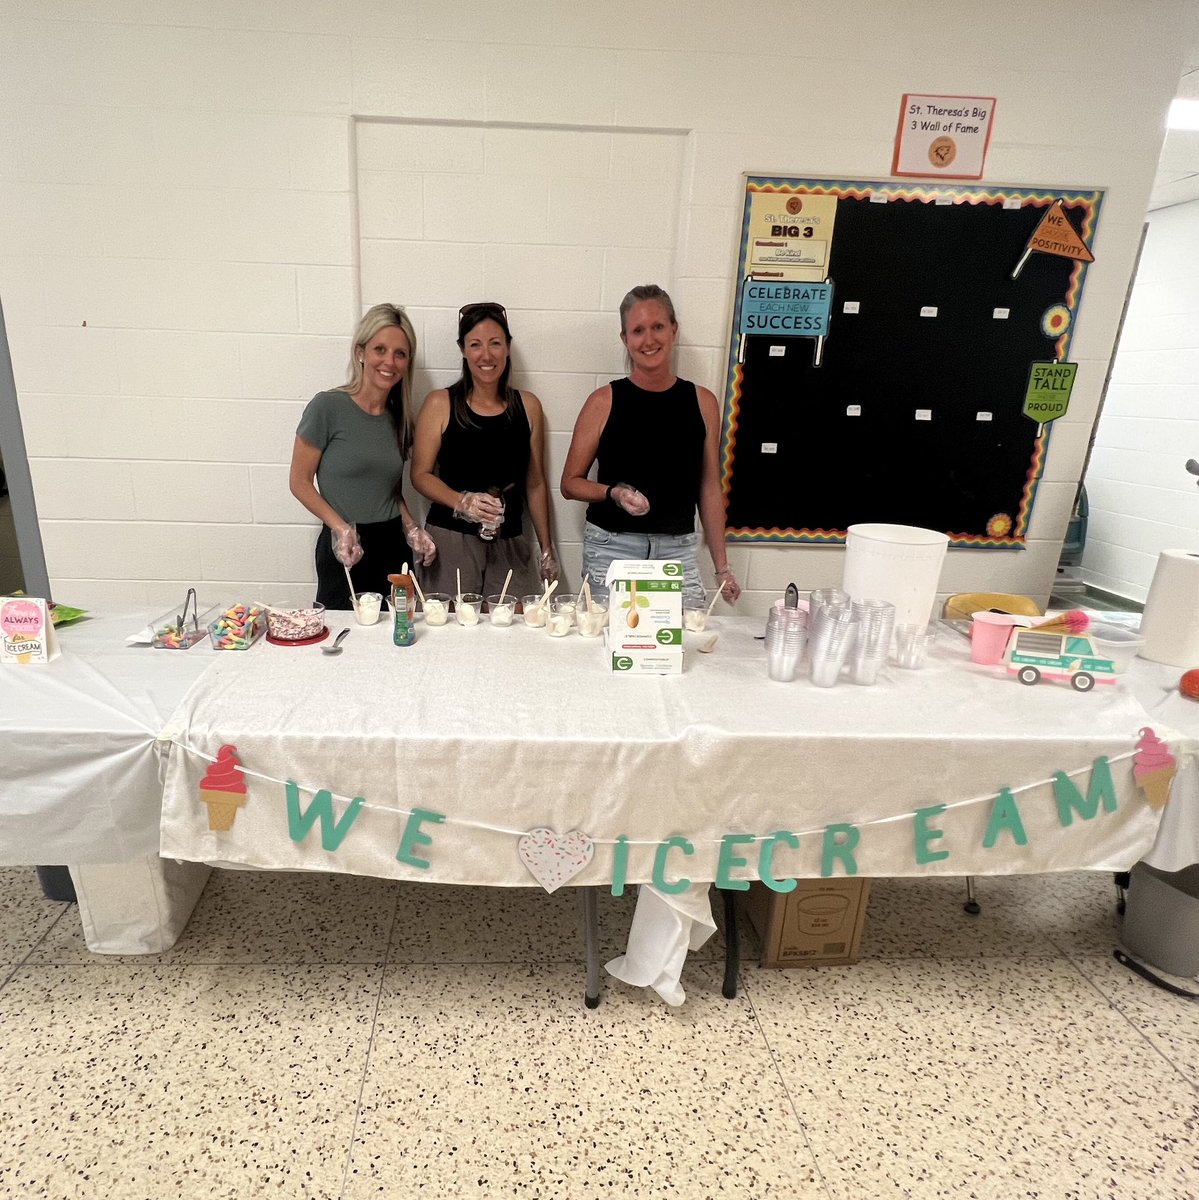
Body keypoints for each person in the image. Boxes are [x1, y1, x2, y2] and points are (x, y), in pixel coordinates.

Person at [560, 284, 741, 608]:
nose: (649, 339)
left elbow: (709, 488)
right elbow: (570, 483)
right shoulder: (603, 401)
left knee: (679, 645)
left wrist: (722, 567)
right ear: (625, 339)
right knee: (606, 644)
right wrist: (613, 492)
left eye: (658, 327)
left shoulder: (703, 402)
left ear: (673, 330)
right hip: (612, 547)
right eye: (638, 330)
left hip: (677, 549)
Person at [289, 303, 437, 609]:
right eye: (379, 349)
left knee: (398, 633)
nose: (389, 362)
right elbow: (299, 482)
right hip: (345, 546)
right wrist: (340, 528)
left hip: (393, 545)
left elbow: (389, 489)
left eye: (400, 353)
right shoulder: (327, 407)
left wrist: (411, 528)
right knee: (344, 641)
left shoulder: (401, 417)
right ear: (361, 352)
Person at [411, 302, 559, 597]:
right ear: (463, 349)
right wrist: (462, 501)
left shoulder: (528, 406)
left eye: (495, 343)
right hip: (452, 540)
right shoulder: (440, 403)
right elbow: (420, 475)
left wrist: (547, 547)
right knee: (449, 630)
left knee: (509, 631)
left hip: (510, 542)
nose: (486, 355)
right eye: (475, 344)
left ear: (508, 347)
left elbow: (536, 482)